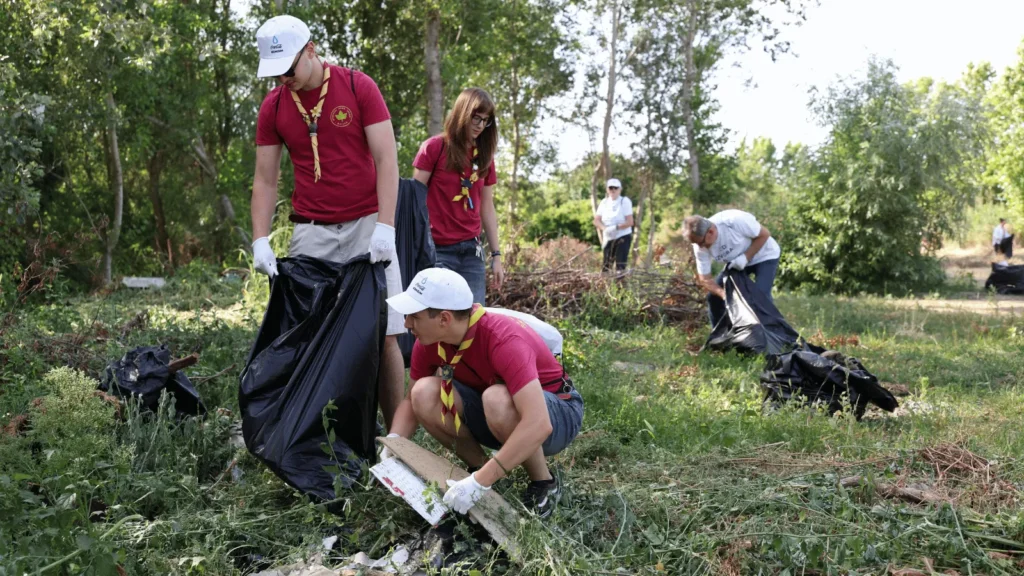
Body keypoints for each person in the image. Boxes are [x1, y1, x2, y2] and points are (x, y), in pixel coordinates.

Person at [248, 15, 405, 429]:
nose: (284, 78)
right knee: (307, 332)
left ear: (311, 50)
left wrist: (386, 226)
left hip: (369, 224)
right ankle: (314, 436)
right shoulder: (275, 106)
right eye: (276, 72)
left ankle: (398, 439)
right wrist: (259, 239)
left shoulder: (358, 87)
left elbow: (388, 160)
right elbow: (265, 179)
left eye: (289, 69)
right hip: (312, 231)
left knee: (384, 331)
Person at [384, 268, 584, 518]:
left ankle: (543, 482)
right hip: (498, 412)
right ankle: (480, 471)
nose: (407, 324)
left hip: (557, 414)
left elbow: (539, 423)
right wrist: (392, 444)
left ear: (444, 319)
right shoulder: (430, 341)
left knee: (497, 399)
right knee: (424, 393)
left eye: (414, 316)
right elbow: (409, 400)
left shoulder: (503, 339)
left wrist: (480, 482)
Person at [412, 88, 504, 304]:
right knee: (438, 319)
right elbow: (413, 200)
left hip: (472, 253)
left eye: (485, 121)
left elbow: (487, 208)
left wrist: (497, 255)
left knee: (473, 320)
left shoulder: (484, 159)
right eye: (476, 117)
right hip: (437, 251)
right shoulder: (434, 148)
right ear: (463, 112)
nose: (480, 125)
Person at [683, 210, 781, 328]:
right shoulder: (699, 245)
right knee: (713, 298)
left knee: (761, 294)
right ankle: (721, 337)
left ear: (711, 231)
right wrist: (724, 295)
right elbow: (705, 279)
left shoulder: (734, 220)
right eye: (696, 244)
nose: (700, 247)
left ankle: (771, 335)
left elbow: (765, 234)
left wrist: (746, 257)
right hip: (736, 263)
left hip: (765, 255)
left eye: (702, 243)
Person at [593, 178, 634, 272]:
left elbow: (630, 221)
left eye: (616, 188)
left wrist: (616, 227)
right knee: (606, 265)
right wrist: (605, 229)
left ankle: (620, 285)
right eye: (611, 188)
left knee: (620, 266)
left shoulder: (625, 201)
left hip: (622, 236)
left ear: (620, 189)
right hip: (608, 237)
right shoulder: (604, 202)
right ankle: (606, 285)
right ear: (607, 189)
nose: (613, 190)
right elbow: (596, 220)